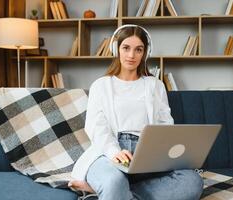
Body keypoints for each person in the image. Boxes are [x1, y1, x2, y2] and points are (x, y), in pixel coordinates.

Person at [69, 24, 203, 200]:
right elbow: (96, 127)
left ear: (145, 53)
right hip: (109, 152)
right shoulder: (101, 85)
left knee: (192, 181)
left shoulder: (155, 85)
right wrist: (114, 152)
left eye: (138, 49)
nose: (131, 55)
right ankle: (113, 189)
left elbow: (165, 126)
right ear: (116, 49)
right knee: (114, 181)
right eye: (126, 48)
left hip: (148, 154)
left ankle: (106, 192)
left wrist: (160, 153)